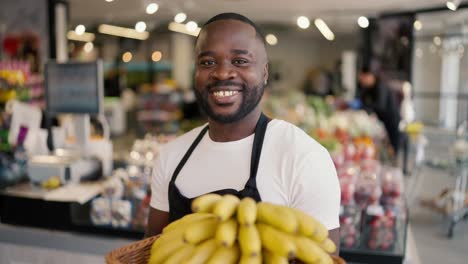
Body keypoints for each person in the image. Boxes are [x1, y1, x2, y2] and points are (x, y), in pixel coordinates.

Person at [146, 13, 341, 250]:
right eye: (207, 62)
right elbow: (152, 251)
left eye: (240, 61)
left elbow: (321, 255)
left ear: (265, 72)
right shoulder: (171, 157)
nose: (222, 73)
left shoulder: (303, 158)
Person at [358, 68, 401, 155]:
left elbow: (380, 105)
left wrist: (365, 107)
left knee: (392, 146)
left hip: (391, 120)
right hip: (382, 122)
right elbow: (363, 100)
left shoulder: (381, 86)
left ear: (369, 76)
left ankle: (394, 160)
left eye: (363, 78)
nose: (362, 81)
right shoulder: (368, 88)